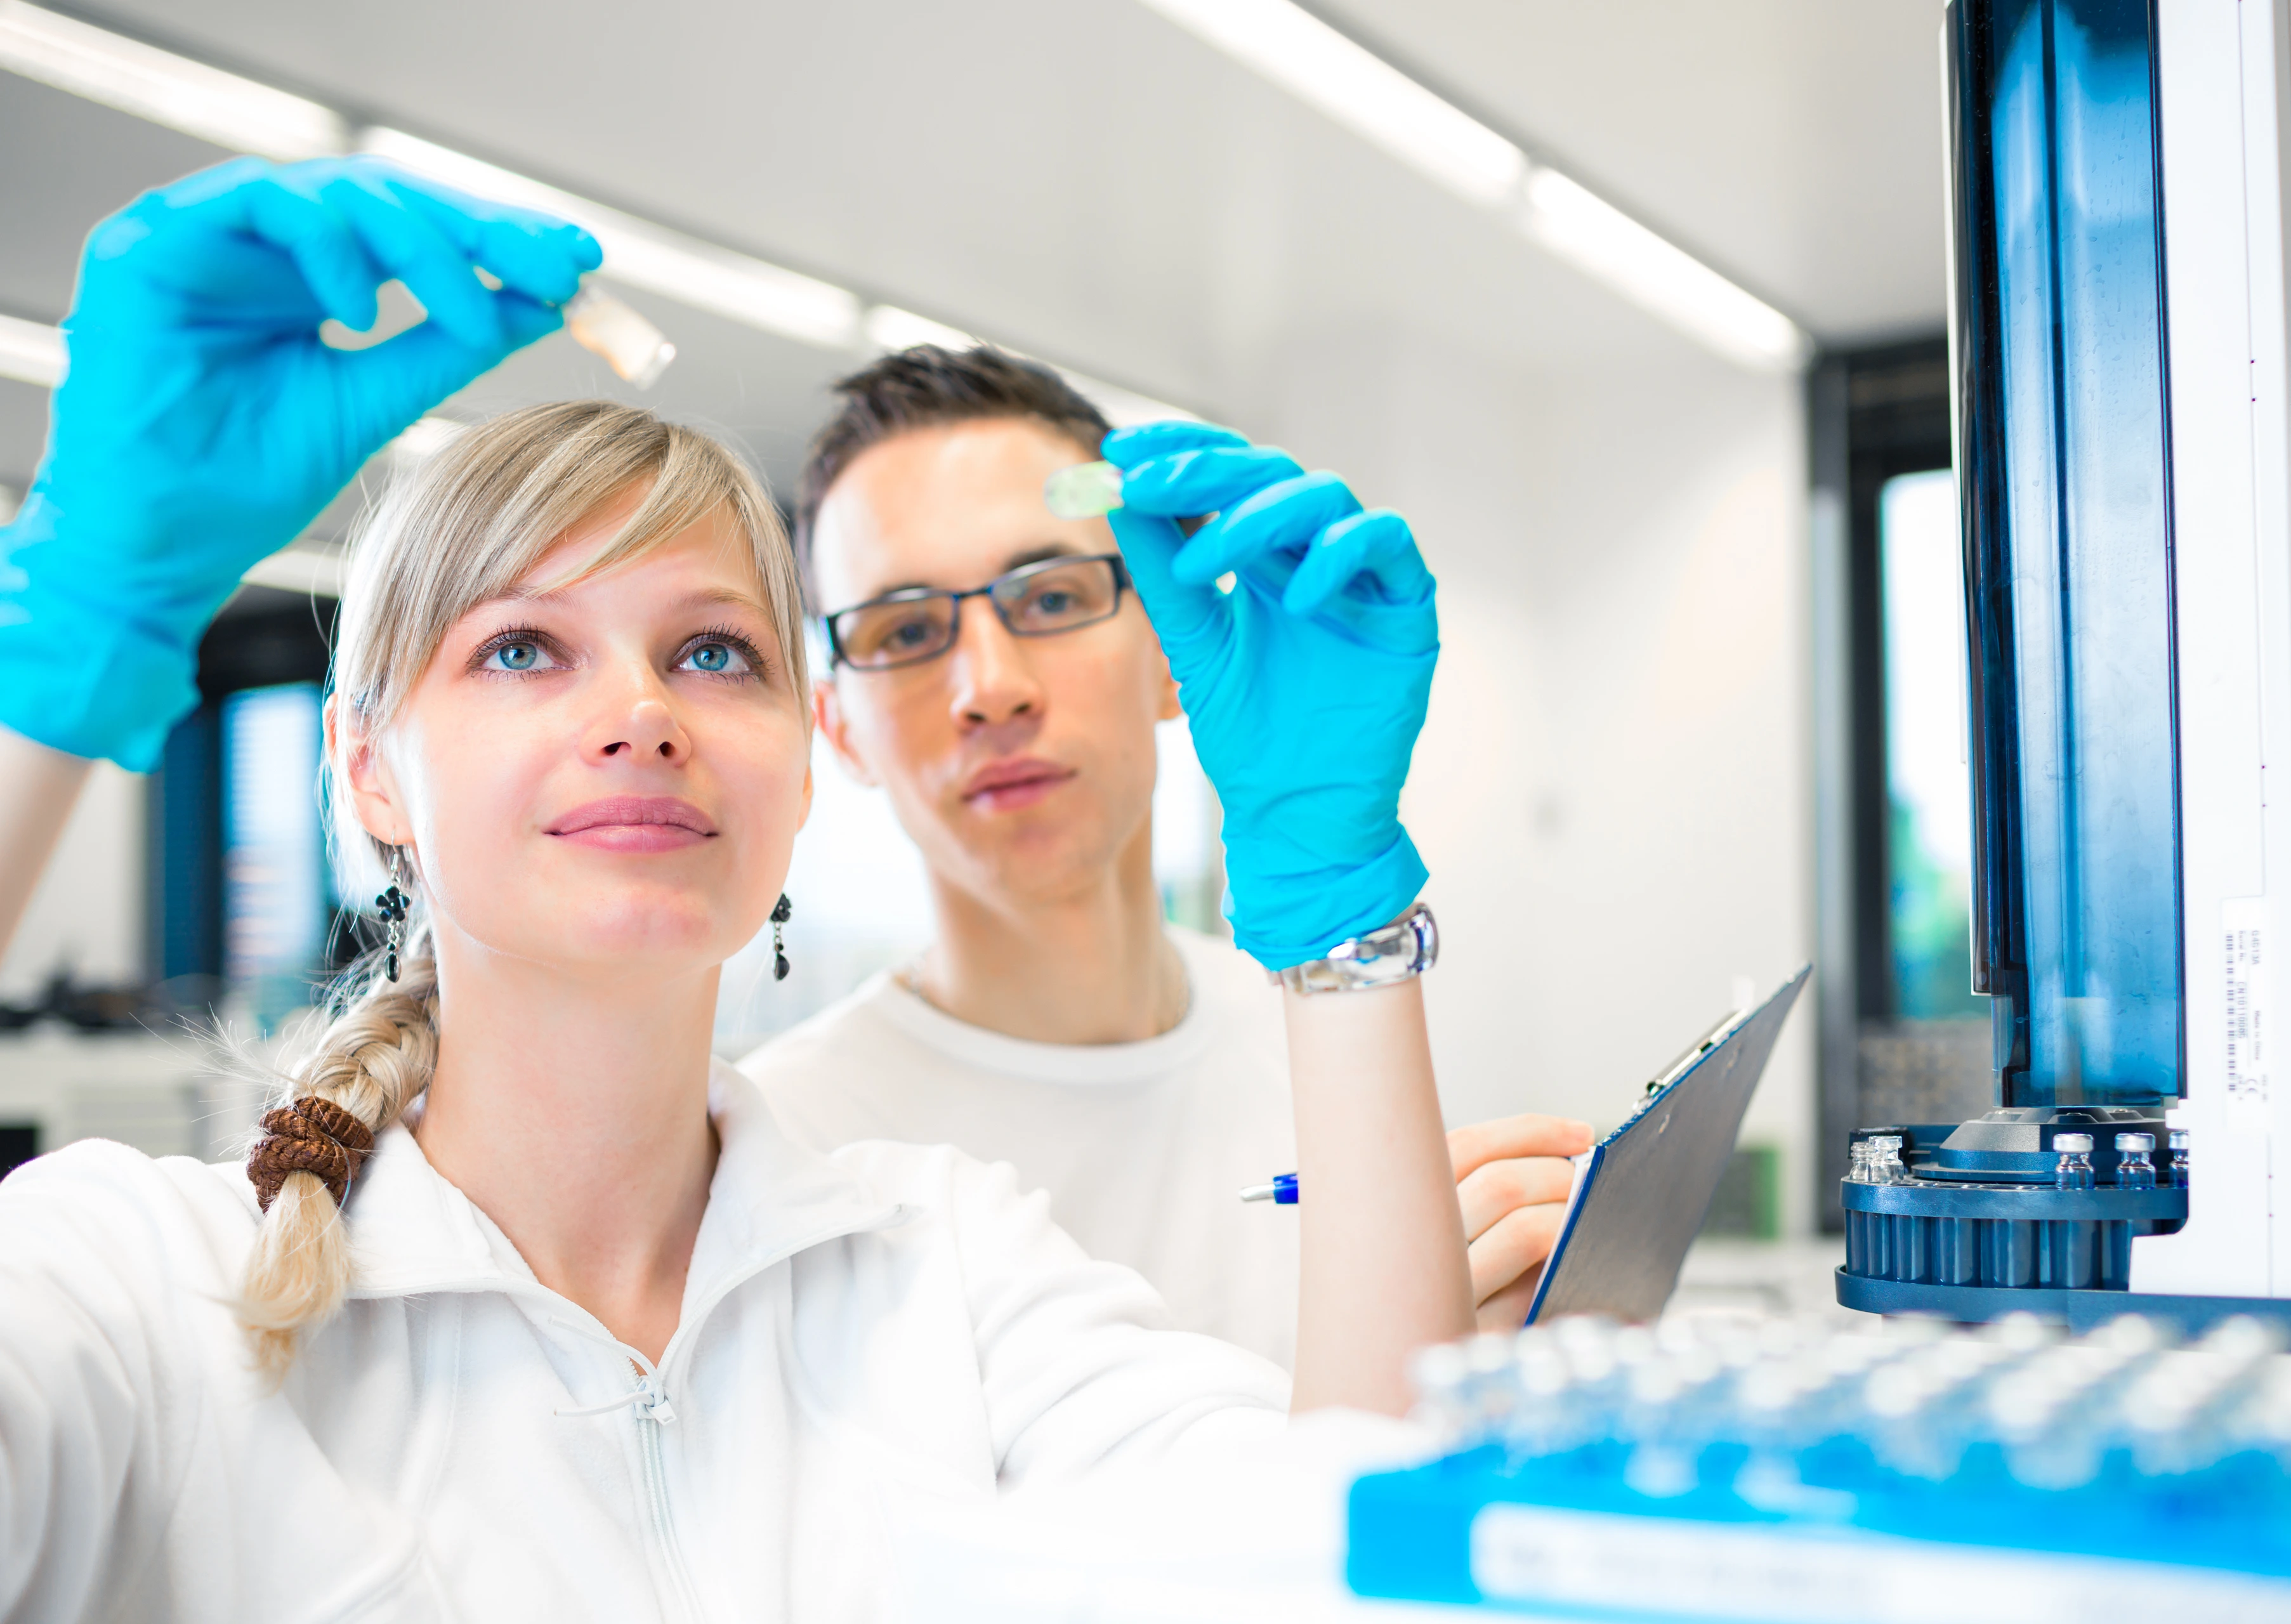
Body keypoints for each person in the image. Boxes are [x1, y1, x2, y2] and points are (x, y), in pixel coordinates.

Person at [0, 157, 1476, 1619]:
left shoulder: (946, 1268)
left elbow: (1351, 1571)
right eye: (523, 647)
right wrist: (69, 637)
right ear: (368, 768)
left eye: (714, 652)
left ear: (801, 768)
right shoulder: (147, 1289)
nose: (643, 712)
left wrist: (1337, 913)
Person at [739, 348, 1591, 1364]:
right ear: (838, 730)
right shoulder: (776, 1147)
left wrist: (1487, 1363)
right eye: (906, 628)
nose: (992, 688)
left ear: (1167, 650)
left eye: (1052, 598)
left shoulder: (1326, 1033)